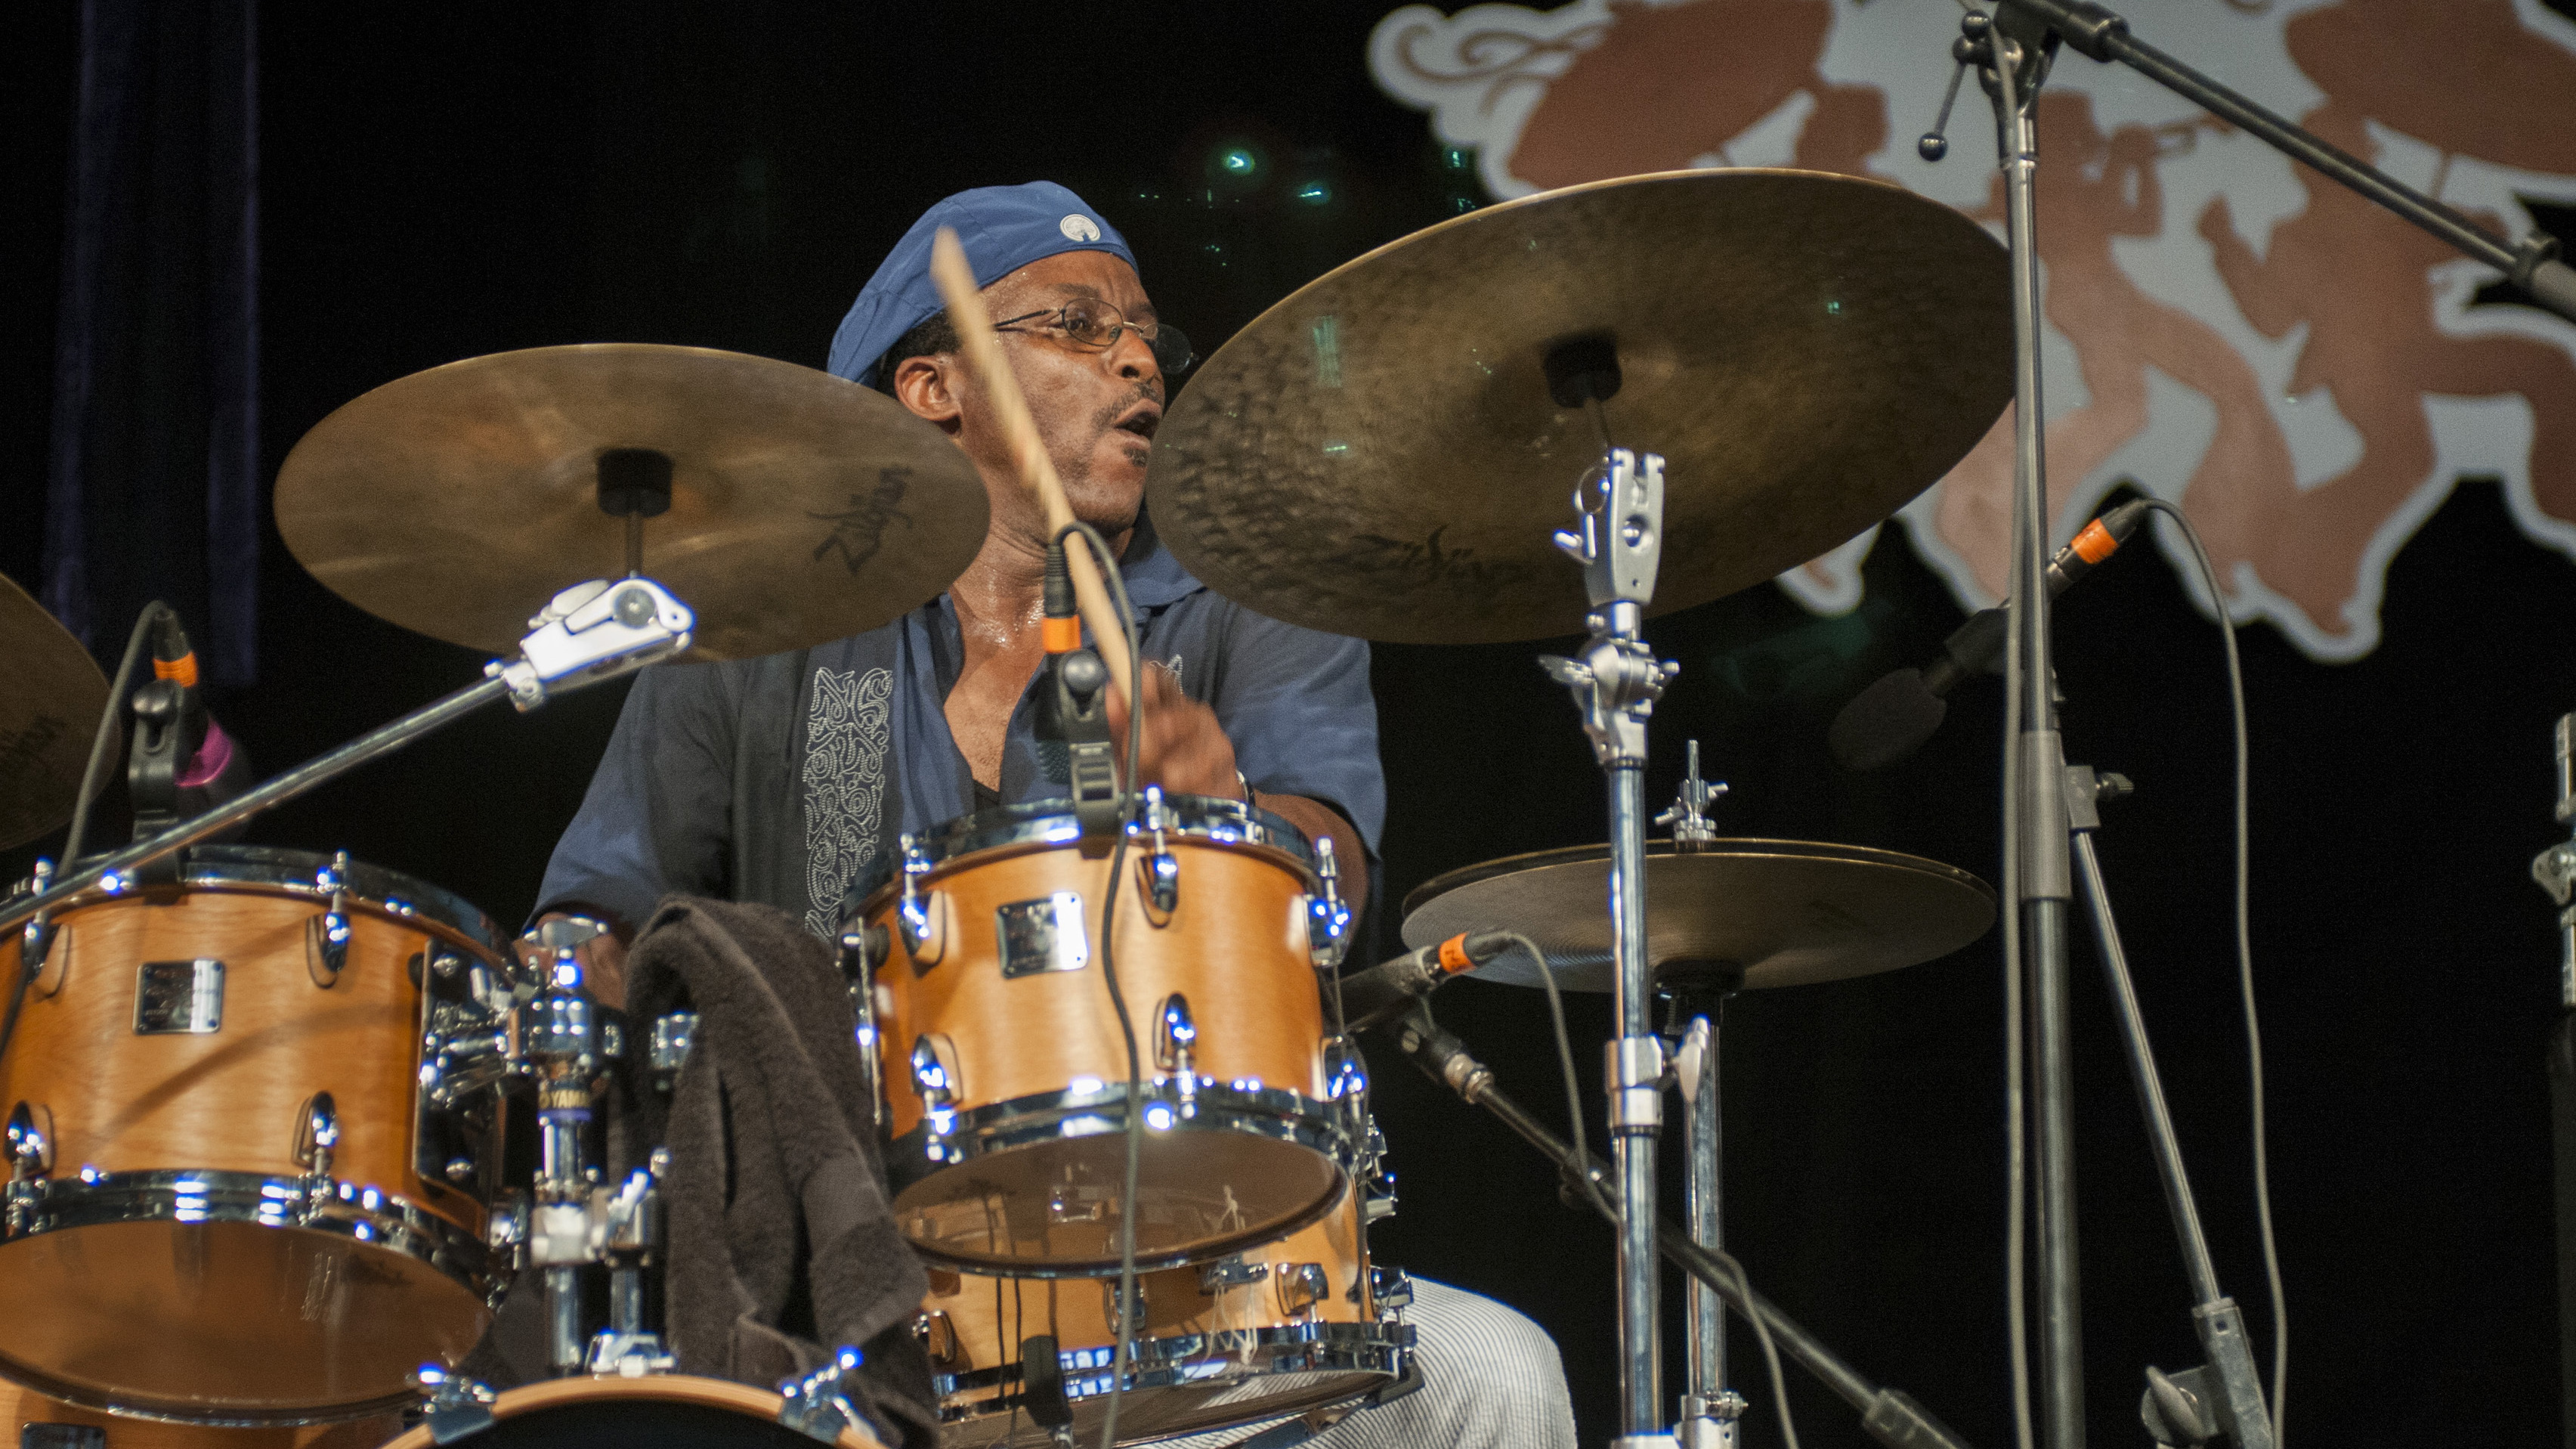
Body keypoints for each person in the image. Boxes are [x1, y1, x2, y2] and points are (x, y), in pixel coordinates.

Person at [530, 181, 1578, 1449]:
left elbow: (1332, 877)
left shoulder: (1247, 594)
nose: (1138, 357)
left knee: (1498, 1376)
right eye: (1076, 326)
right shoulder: (757, 628)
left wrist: (1236, 820)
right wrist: (568, 981)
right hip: (852, 1292)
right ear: (932, 388)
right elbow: (597, 907)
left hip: (1200, 1278)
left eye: (1144, 336)